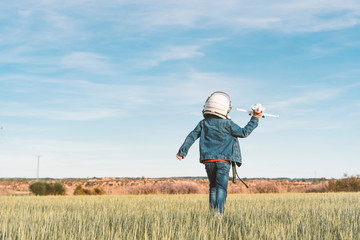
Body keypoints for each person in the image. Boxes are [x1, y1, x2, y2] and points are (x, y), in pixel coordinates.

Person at [176, 91, 262, 214]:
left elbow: (191, 136)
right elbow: (244, 132)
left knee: (213, 188)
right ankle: (219, 215)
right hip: (223, 161)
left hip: (208, 161)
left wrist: (182, 152)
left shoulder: (203, 123)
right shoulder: (228, 124)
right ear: (225, 108)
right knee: (221, 188)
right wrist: (255, 117)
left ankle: (213, 215)